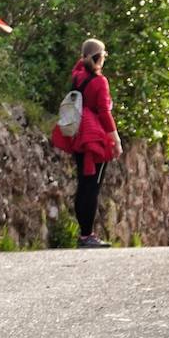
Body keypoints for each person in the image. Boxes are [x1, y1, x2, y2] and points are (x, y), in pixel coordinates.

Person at [52, 38, 123, 248]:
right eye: (103, 55)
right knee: (93, 187)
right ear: (98, 58)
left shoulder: (77, 76)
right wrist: (115, 139)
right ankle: (87, 235)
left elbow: (79, 66)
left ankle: (84, 234)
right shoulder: (100, 82)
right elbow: (104, 112)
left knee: (84, 184)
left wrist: (86, 57)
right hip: (95, 136)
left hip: (78, 133)